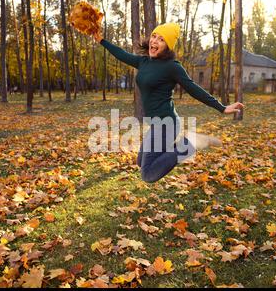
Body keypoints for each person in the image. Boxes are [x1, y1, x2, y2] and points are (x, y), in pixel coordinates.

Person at [91, 22, 244, 183]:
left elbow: (193, 89)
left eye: (161, 39)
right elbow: (121, 54)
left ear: (168, 46)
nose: (154, 41)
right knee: (140, 162)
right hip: (156, 123)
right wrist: (102, 40)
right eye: (154, 36)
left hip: (167, 124)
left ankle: (189, 144)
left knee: (148, 174)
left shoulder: (172, 67)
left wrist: (221, 108)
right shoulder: (143, 62)